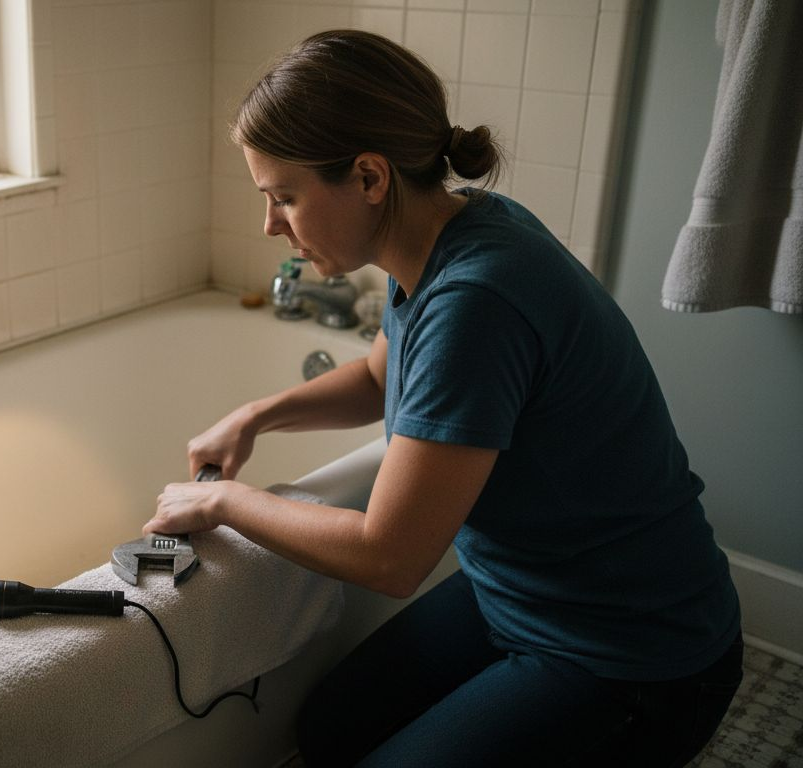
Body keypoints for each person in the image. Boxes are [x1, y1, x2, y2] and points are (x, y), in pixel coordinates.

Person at [142, 30, 743, 767]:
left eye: (285, 197)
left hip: (634, 652)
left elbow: (389, 557)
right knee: (332, 729)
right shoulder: (451, 233)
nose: (271, 225)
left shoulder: (477, 300)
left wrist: (224, 503)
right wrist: (254, 417)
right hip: (519, 596)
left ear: (369, 177)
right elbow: (375, 379)